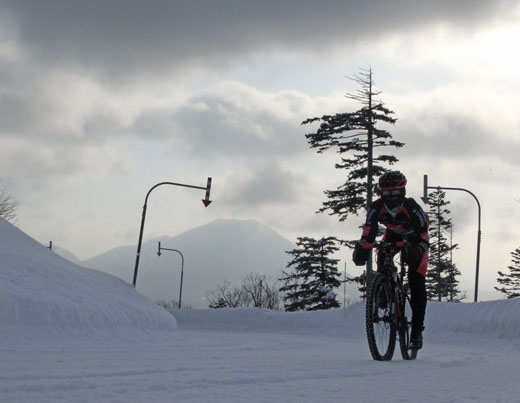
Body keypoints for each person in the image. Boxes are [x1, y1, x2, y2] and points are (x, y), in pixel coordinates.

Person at [353, 170, 429, 350]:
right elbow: (369, 229)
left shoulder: (411, 207)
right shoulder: (376, 207)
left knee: (416, 281)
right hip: (393, 234)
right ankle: (384, 289)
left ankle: (416, 332)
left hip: (416, 237)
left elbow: (423, 233)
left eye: (394, 193)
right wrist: (362, 246)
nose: (390, 197)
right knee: (382, 253)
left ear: (402, 192)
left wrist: (417, 251)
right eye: (385, 193)